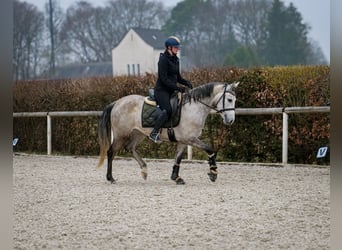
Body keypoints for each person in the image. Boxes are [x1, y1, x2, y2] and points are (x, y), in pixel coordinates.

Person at [149, 36, 193, 143]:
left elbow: (178, 77)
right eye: (175, 47)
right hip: (162, 90)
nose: (177, 49)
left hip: (171, 90)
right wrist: (178, 88)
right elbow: (164, 79)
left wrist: (187, 83)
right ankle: (154, 132)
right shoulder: (163, 60)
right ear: (169, 48)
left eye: (178, 48)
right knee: (168, 110)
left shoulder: (176, 59)